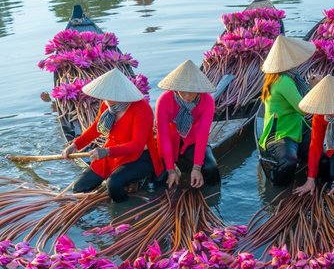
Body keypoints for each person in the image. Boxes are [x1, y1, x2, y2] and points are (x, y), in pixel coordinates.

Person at [62, 68, 164, 202]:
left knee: (113, 186)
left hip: (139, 157)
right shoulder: (107, 106)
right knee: (80, 187)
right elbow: (96, 129)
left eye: (110, 95)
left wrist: (107, 152)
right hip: (113, 154)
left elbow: (137, 145)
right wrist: (75, 145)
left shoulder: (141, 109)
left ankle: (126, 210)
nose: (106, 99)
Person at [258, 35, 317, 186]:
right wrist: (317, 87)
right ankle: (277, 185)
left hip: (297, 125)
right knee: (289, 161)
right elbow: (303, 109)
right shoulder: (283, 80)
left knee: (320, 156)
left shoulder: (289, 75)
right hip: (280, 132)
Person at [155, 59, 220, 189]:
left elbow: (202, 134)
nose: (187, 95)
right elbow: (164, 135)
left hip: (192, 140)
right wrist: (170, 170)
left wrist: (197, 167)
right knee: (159, 180)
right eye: (182, 90)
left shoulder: (207, 101)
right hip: (171, 142)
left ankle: (211, 198)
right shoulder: (164, 100)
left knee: (211, 169)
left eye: (191, 91)